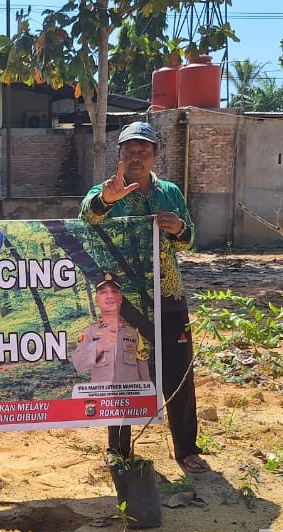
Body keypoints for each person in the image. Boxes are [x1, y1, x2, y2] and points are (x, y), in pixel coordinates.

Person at [78, 121, 209, 474]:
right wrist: (107, 199)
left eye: (143, 151)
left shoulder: (169, 193)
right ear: (118, 155)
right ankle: (118, 450)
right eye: (129, 151)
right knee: (122, 372)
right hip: (126, 303)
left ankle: (186, 449)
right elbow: (85, 220)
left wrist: (179, 228)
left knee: (178, 371)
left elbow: (189, 239)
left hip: (169, 296)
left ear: (156, 156)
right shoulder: (104, 191)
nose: (136, 157)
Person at [71, 273, 151, 387]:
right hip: (101, 399)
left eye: (114, 291)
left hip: (131, 399)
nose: (110, 296)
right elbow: (79, 364)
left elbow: (143, 372)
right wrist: (98, 347)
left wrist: (147, 396)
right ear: (97, 300)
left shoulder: (133, 333)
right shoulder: (88, 333)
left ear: (121, 298)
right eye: (103, 292)